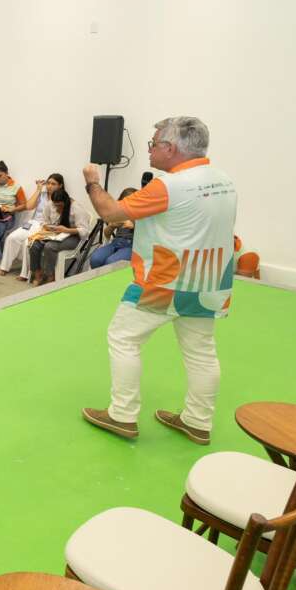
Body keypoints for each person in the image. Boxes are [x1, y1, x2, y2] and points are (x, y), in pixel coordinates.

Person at [82, 116, 236, 446]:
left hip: (165, 281)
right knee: (202, 353)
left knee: (123, 338)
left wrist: (92, 181)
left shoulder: (168, 186)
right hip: (210, 283)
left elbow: (110, 213)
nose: (149, 150)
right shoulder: (224, 180)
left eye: (153, 144)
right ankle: (197, 422)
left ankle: (122, 415)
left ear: (171, 148)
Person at [0, 174, 63, 277]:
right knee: (12, 237)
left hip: (45, 226)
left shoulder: (61, 198)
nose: (50, 186)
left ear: (60, 186)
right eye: (48, 183)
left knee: (28, 243)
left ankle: (25, 275)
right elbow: (28, 206)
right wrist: (38, 190)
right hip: (33, 223)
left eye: (53, 184)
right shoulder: (42, 194)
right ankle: (4, 267)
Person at [24, 188, 83, 285]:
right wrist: (47, 226)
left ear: (66, 202)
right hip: (54, 234)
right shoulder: (50, 204)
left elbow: (84, 231)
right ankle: (37, 273)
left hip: (73, 236)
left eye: (60, 206)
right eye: (55, 205)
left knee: (49, 246)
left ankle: (50, 275)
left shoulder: (77, 208)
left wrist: (67, 230)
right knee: (34, 244)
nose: (57, 208)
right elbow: (44, 221)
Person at [89, 189, 137, 268]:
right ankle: (102, 279)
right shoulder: (119, 213)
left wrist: (135, 225)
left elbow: (149, 235)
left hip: (131, 246)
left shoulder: (143, 215)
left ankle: (109, 280)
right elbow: (107, 235)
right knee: (95, 259)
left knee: (111, 263)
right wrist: (111, 226)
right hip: (115, 243)